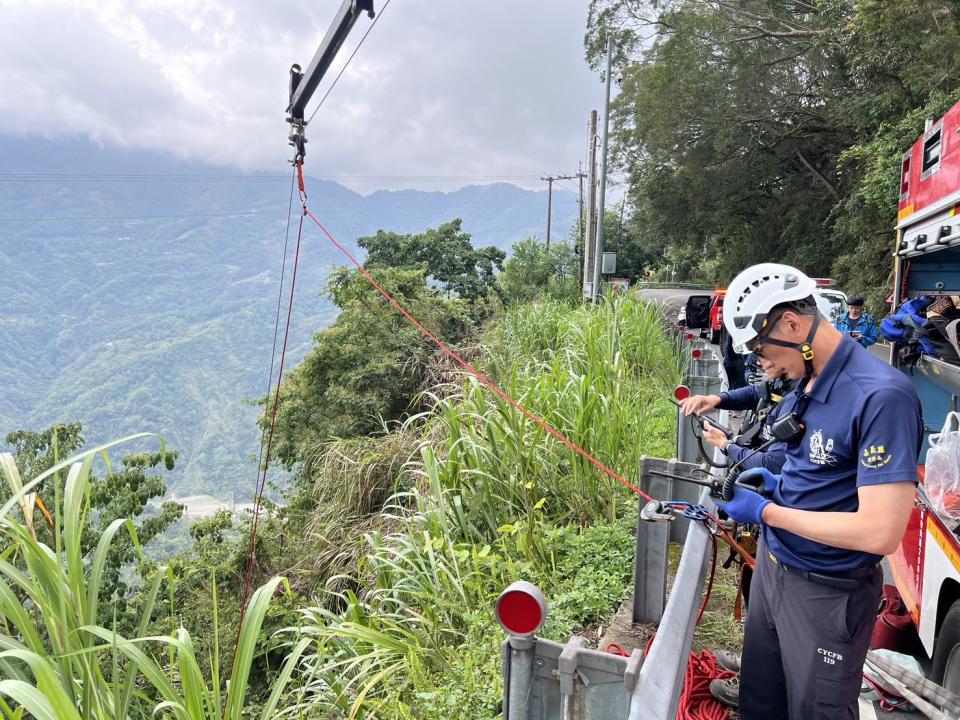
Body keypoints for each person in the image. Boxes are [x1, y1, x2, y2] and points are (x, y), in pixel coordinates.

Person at [716, 263, 921, 720]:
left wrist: (768, 513)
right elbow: (814, 464)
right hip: (774, 572)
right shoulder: (804, 382)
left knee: (815, 710)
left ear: (792, 324)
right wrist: (776, 482)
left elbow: (879, 532)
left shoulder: (880, 397)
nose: (760, 362)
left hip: (826, 593)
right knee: (761, 699)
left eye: (760, 347)